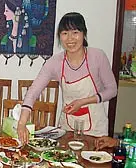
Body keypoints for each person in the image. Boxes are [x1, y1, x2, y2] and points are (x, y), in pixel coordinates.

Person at [17, 12, 117, 143]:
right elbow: (33, 91)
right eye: (64, 33)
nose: (70, 39)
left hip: (96, 132)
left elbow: (112, 90)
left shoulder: (97, 56)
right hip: (67, 129)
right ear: (59, 36)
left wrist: (83, 101)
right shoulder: (55, 62)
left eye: (75, 32)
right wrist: (21, 123)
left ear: (83, 34)